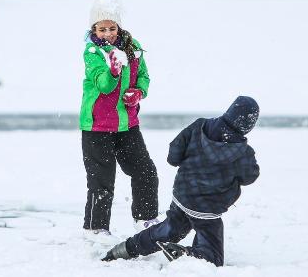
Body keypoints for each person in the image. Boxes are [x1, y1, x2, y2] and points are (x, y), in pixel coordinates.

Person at [102, 96, 260, 267]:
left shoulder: (200, 126)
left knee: (170, 229)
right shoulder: (243, 152)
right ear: (249, 124)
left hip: (183, 195)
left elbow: (173, 156)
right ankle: (186, 254)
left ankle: (124, 249)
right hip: (207, 210)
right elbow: (250, 177)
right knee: (213, 256)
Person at [80, 0, 159, 241]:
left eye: (112, 28)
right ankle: (96, 229)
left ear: (118, 26)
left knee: (145, 171)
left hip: (127, 124)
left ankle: (146, 220)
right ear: (94, 29)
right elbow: (103, 85)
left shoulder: (133, 46)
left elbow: (144, 76)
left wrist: (139, 92)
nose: (108, 34)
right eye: (102, 29)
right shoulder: (93, 53)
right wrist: (113, 71)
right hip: (97, 127)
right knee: (102, 181)